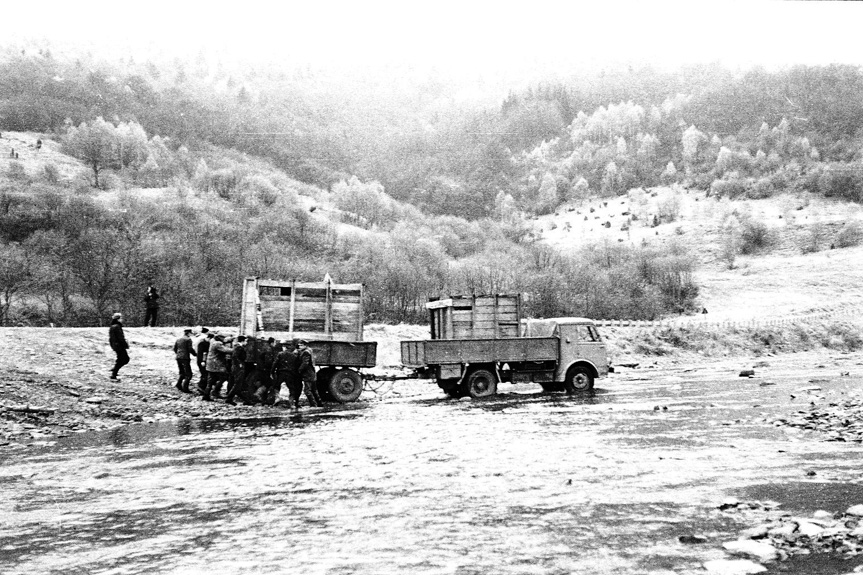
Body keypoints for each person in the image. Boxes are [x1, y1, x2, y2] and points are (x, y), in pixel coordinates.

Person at [272, 340, 301, 409]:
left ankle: (277, 398)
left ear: (285, 347)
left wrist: (272, 372)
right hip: (290, 374)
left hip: (280, 373)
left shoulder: (280, 354)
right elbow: (297, 366)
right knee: (292, 389)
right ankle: (292, 403)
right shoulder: (294, 356)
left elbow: (275, 363)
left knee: (276, 386)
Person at [297, 339, 323, 407]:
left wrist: (299, 370)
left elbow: (305, 363)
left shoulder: (306, 352)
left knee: (307, 391)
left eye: (301, 345)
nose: (300, 347)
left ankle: (313, 405)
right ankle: (320, 404)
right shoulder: (309, 350)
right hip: (312, 373)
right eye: (299, 345)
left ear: (305, 345)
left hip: (308, 374)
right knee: (314, 390)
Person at [203, 334, 229, 401]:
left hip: (210, 364)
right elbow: (225, 350)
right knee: (224, 377)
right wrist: (236, 349)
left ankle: (206, 395)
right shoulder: (217, 343)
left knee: (210, 381)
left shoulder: (213, 341)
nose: (224, 339)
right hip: (216, 365)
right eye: (223, 338)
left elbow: (225, 342)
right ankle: (215, 391)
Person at [225, 336, 249, 405]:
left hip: (236, 368)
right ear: (242, 341)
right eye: (246, 341)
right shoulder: (239, 348)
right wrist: (240, 364)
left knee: (238, 384)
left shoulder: (237, 347)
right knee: (237, 384)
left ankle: (246, 400)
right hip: (238, 368)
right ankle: (229, 399)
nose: (246, 343)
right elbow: (235, 356)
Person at [173, 328, 197, 393]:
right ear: (188, 333)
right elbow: (190, 349)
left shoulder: (178, 339)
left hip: (178, 357)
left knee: (182, 372)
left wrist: (178, 354)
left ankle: (178, 384)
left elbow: (175, 348)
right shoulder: (188, 339)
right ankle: (185, 388)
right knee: (189, 374)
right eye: (191, 333)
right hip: (185, 358)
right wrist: (195, 354)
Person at [108, 312, 130, 380]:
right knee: (125, 359)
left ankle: (114, 371)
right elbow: (120, 338)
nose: (122, 319)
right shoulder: (117, 327)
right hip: (119, 346)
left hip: (116, 346)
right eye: (121, 318)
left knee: (120, 359)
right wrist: (125, 344)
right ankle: (114, 373)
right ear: (118, 319)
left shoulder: (113, 326)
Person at [195, 328, 211, 393]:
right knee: (205, 374)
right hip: (202, 360)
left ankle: (202, 386)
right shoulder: (203, 343)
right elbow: (203, 353)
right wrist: (203, 361)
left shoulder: (199, 339)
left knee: (204, 373)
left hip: (200, 358)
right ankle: (201, 387)